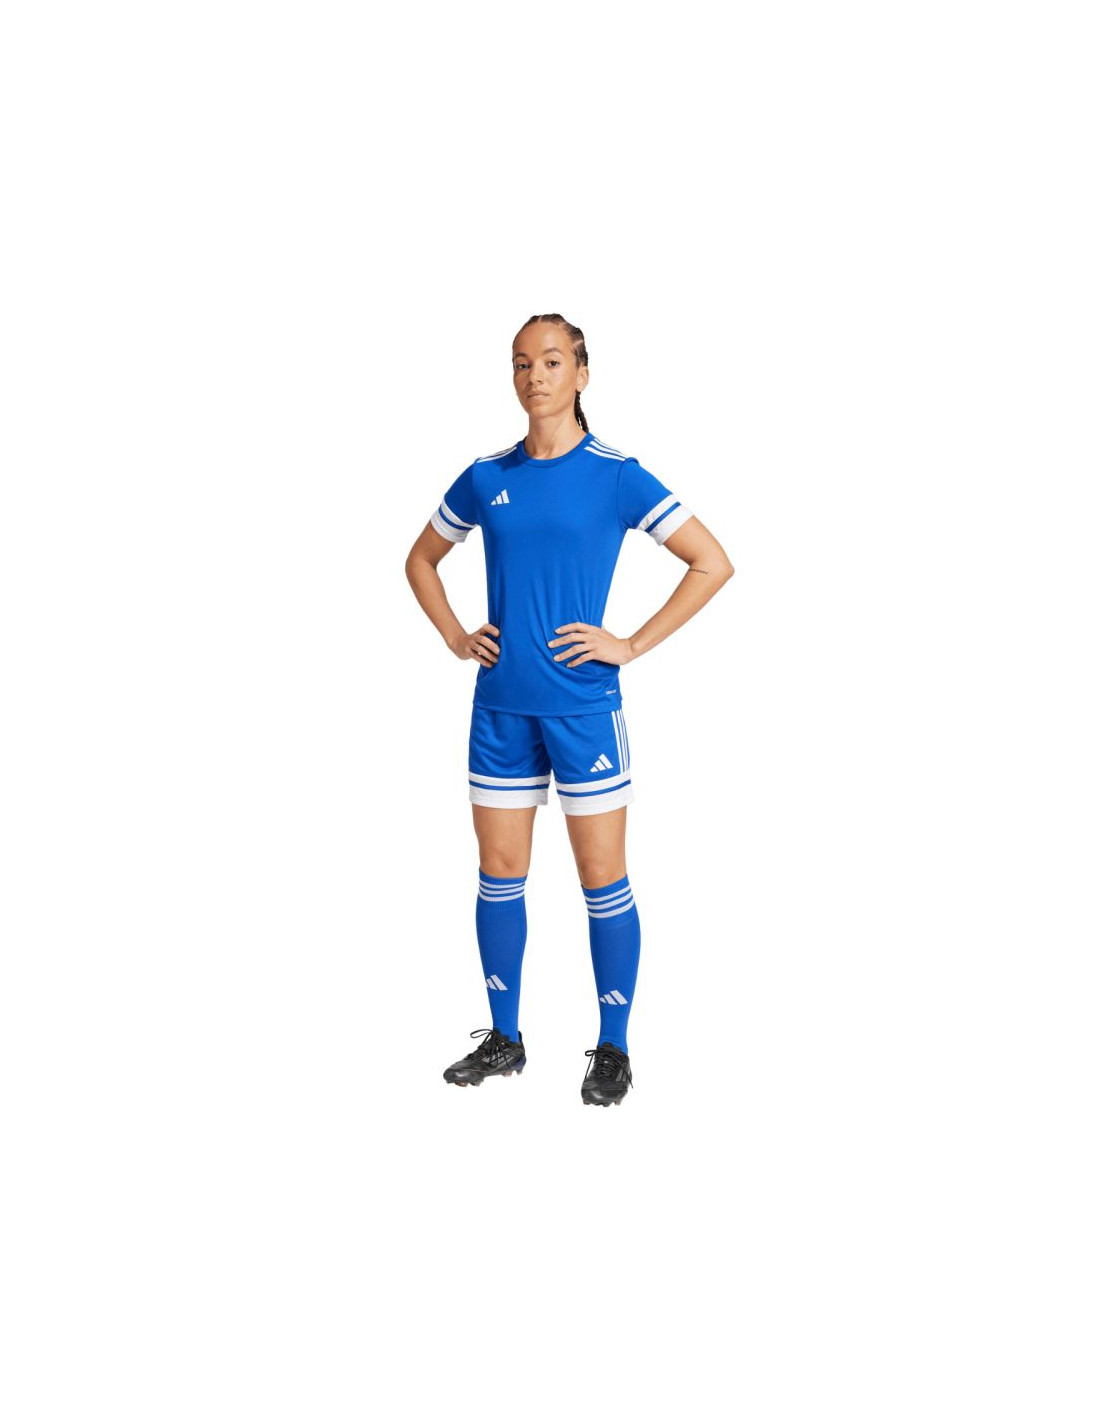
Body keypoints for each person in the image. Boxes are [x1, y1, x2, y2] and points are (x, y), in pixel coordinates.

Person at [404, 313, 735, 1106]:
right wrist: (455, 635)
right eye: (522, 363)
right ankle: (506, 1039)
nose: (536, 376)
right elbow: (420, 559)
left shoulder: (615, 475)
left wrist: (631, 644)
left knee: (602, 876)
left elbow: (711, 561)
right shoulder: (486, 475)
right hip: (501, 710)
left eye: (552, 361)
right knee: (499, 874)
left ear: (582, 373)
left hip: (584, 710)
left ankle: (613, 1048)